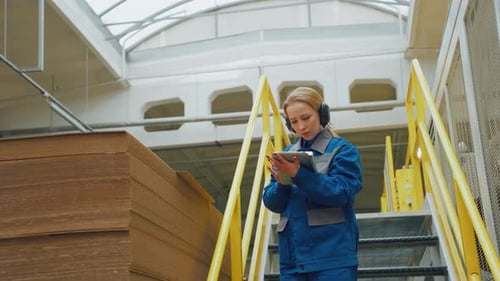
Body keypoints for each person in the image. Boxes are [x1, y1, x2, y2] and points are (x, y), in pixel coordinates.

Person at [263, 86, 362, 281]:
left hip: (332, 258)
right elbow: (272, 202)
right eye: (294, 122)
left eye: (306, 118)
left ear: (322, 114)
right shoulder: (286, 154)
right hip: (293, 262)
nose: (301, 127)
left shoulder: (342, 150)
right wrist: (282, 182)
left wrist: (299, 174)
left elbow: (341, 192)